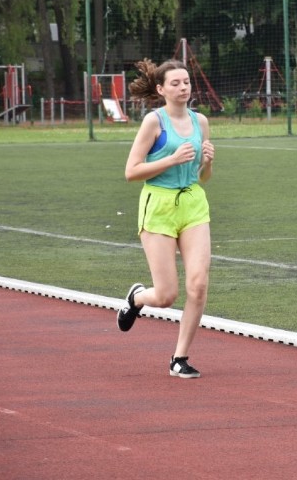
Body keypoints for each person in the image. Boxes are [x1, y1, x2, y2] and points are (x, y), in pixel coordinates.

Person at [117, 58, 215, 379]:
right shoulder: (153, 122)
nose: (183, 87)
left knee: (198, 284)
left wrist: (208, 162)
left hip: (192, 203)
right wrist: (171, 159)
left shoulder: (200, 122)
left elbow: (203, 176)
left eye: (186, 82)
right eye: (175, 83)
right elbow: (131, 172)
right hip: (158, 205)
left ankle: (179, 358)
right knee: (166, 295)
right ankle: (136, 298)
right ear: (161, 89)